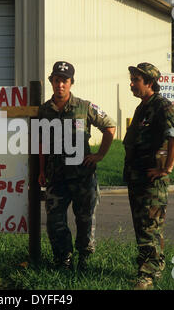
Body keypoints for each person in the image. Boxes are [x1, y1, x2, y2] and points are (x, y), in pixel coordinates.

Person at [38, 61, 116, 271]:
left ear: (71, 83)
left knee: (85, 220)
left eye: (64, 81)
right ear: (51, 82)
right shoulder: (45, 110)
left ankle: (84, 259)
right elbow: (42, 142)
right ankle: (63, 259)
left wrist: (99, 155)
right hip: (56, 176)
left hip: (83, 176)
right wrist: (42, 170)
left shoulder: (85, 107)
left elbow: (109, 126)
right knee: (55, 221)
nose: (60, 85)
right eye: (56, 80)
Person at [123, 62, 174, 290]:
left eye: (136, 80)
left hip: (151, 180)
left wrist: (166, 169)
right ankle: (155, 267)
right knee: (144, 226)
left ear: (149, 83)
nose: (131, 84)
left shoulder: (162, 106)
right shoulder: (143, 107)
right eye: (132, 79)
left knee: (149, 226)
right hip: (137, 177)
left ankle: (146, 276)